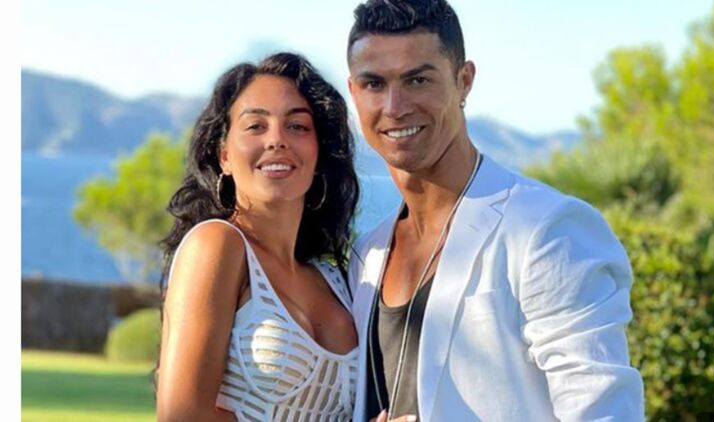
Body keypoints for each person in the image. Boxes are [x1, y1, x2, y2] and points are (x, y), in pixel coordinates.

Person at [345, 1, 646, 421]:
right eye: (374, 83)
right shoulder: (367, 254)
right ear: (354, 91)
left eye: (418, 79)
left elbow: (607, 414)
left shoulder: (547, 229)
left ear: (463, 81)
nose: (395, 106)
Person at [156, 52, 363, 421]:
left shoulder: (333, 278)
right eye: (255, 126)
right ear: (224, 156)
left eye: (297, 126)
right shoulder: (216, 245)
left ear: (319, 154)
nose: (277, 140)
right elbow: (181, 417)